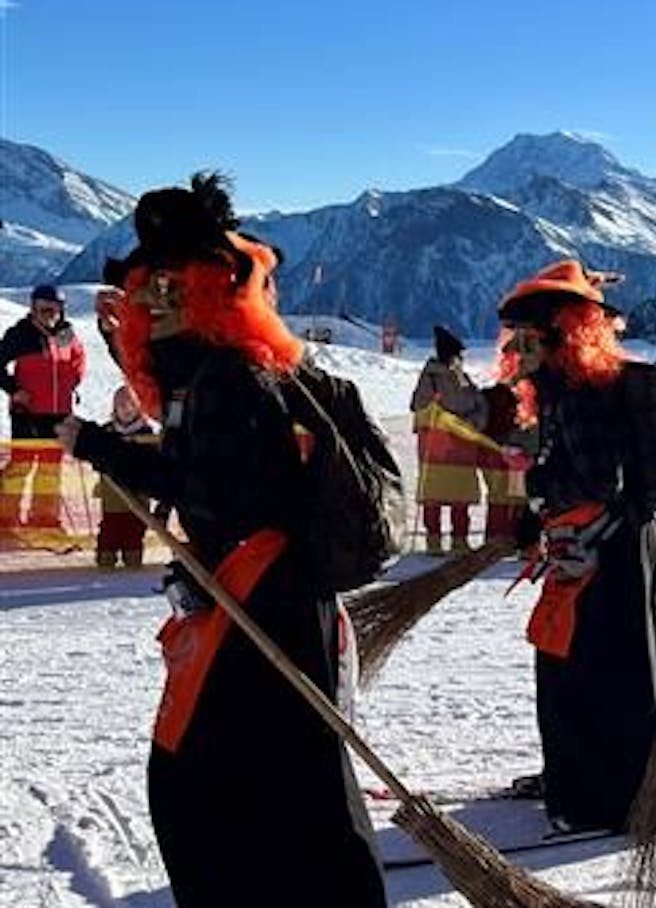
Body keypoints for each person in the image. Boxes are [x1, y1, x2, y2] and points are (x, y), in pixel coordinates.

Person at [59, 173, 385, 905]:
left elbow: (213, 488)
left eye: (160, 288)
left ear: (201, 292)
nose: (145, 303)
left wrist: (107, 452)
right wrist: (104, 447)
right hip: (240, 592)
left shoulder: (230, 379)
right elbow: (192, 474)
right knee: (225, 770)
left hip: (268, 601)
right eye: (147, 287)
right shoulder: (199, 377)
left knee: (265, 772)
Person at [489, 258, 656, 833]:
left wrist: (546, 493)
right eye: (518, 336)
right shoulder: (564, 389)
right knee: (587, 667)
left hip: (608, 555)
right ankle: (587, 780)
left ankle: (608, 794)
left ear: (563, 332)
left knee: (602, 673)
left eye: (530, 335)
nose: (519, 347)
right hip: (598, 550)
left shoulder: (589, 393)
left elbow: (601, 480)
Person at [0, 284, 87, 544]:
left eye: (54, 309)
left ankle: (44, 519)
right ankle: (6, 519)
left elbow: (78, 359)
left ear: (61, 310)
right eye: (43, 308)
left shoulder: (65, 333)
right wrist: (14, 390)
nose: (49, 314)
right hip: (27, 412)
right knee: (22, 466)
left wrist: (73, 381)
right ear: (33, 308)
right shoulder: (20, 334)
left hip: (59, 411)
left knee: (51, 468)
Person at [410, 324, 488, 553]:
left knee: (441, 496)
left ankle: (439, 541)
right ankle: (453, 540)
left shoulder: (444, 376)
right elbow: (420, 405)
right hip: (450, 446)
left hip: (441, 447)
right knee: (453, 497)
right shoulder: (438, 377)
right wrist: (471, 424)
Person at [92, 386, 158, 569]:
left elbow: (155, 460)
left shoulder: (147, 433)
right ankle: (106, 555)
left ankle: (133, 555)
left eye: (131, 404)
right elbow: (94, 454)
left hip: (139, 493)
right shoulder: (106, 432)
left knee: (135, 528)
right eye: (121, 404)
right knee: (110, 527)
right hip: (112, 493)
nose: (126, 408)